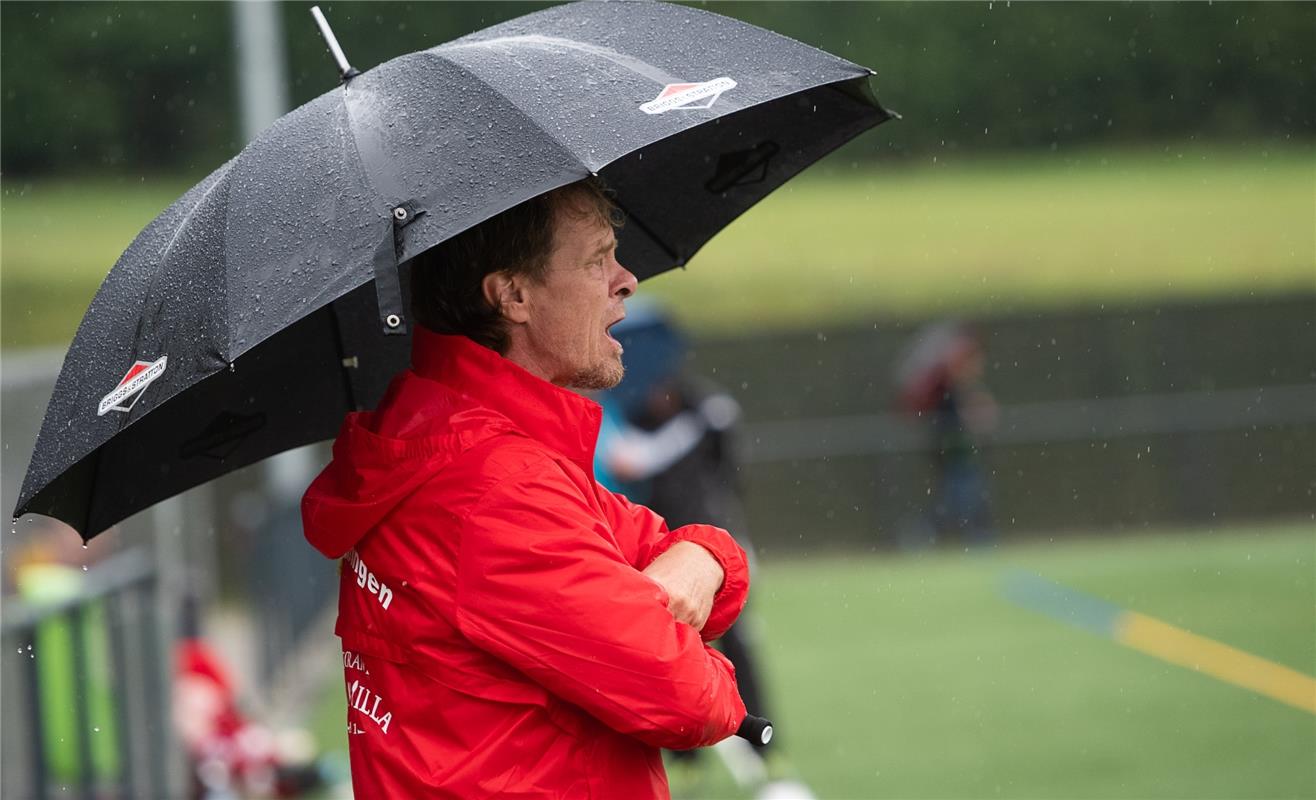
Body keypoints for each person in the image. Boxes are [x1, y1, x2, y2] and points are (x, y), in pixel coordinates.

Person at [301, 179, 751, 798]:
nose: (626, 280)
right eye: (597, 260)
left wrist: (704, 558)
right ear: (512, 294)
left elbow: (691, 553)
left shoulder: (451, 443)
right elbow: (687, 701)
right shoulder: (493, 486)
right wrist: (707, 651)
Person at [596, 306, 815, 800]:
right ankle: (686, 758)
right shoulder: (631, 414)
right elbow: (629, 461)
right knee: (667, 659)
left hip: (719, 549)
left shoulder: (703, 405)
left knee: (739, 649)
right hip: (659, 556)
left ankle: (765, 746)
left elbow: (727, 474)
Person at [896, 321, 998, 547]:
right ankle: (927, 533)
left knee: (963, 493)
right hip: (954, 445)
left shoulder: (947, 376)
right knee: (962, 494)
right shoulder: (950, 377)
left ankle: (970, 536)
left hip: (953, 445)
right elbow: (966, 413)